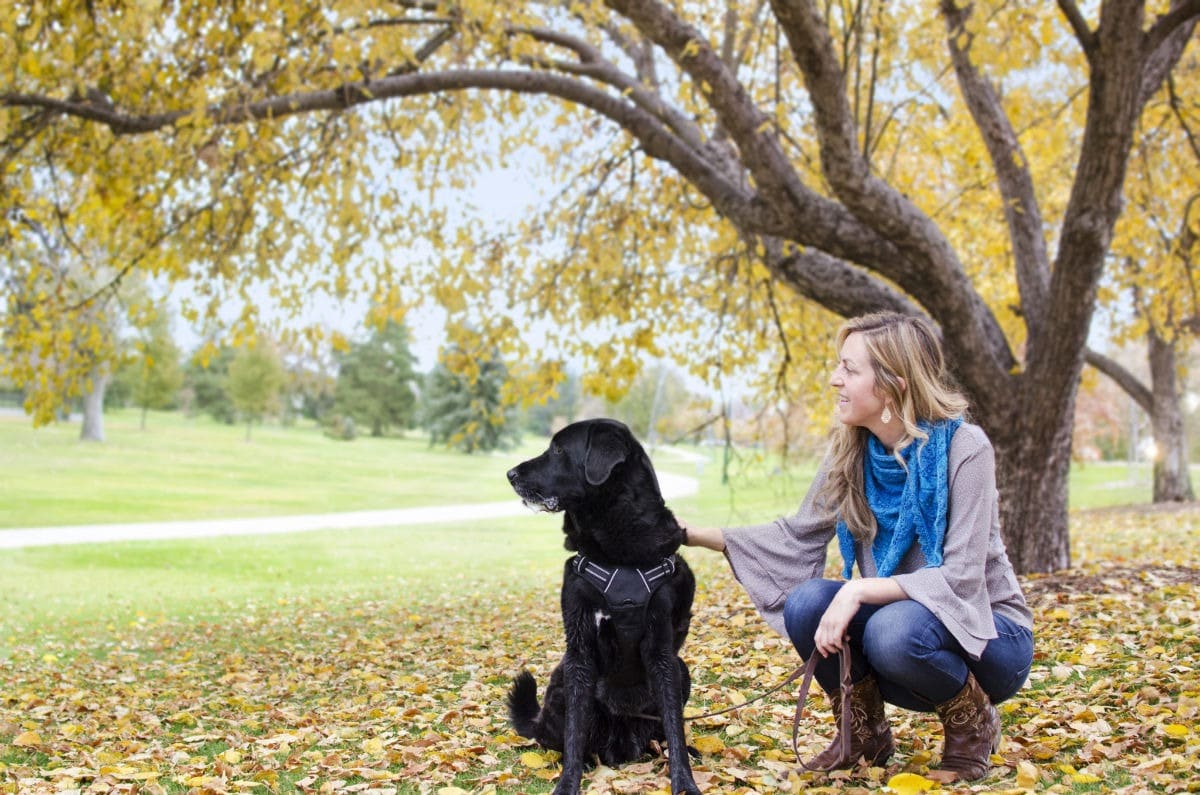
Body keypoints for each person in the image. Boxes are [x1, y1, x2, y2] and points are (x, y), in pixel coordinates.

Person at [681, 312, 1034, 783]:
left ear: (892, 384)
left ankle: (973, 723)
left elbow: (962, 576)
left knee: (892, 626)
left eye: (850, 369)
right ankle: (864, 732)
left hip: (990, 637)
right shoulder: (849, 451)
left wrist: (860, 590)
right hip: (910, 639)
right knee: (808, 603)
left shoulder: (965, 448)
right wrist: (689, 534)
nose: (835, 380)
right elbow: (798, 534)